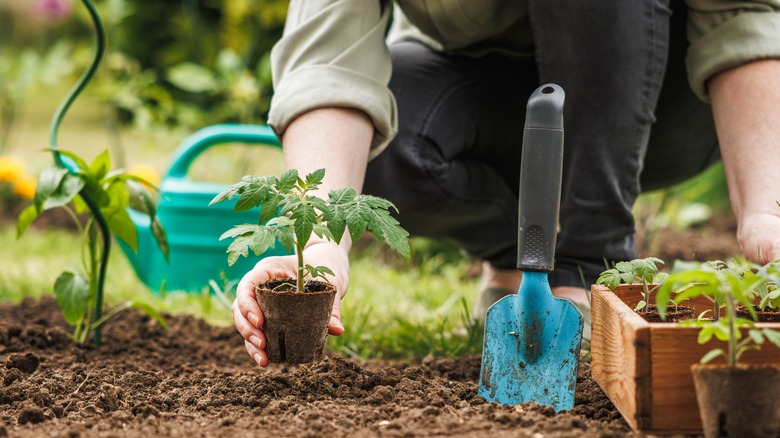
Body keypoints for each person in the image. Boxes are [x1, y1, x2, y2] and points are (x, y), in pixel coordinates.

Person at [233, 0, 780, 367]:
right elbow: (327, 62)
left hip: (659, 99)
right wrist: (324, 250)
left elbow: (741, 13)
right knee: (390, 146)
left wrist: (766, 211)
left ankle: (585, 265)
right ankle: (522, 257)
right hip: (484, 90)